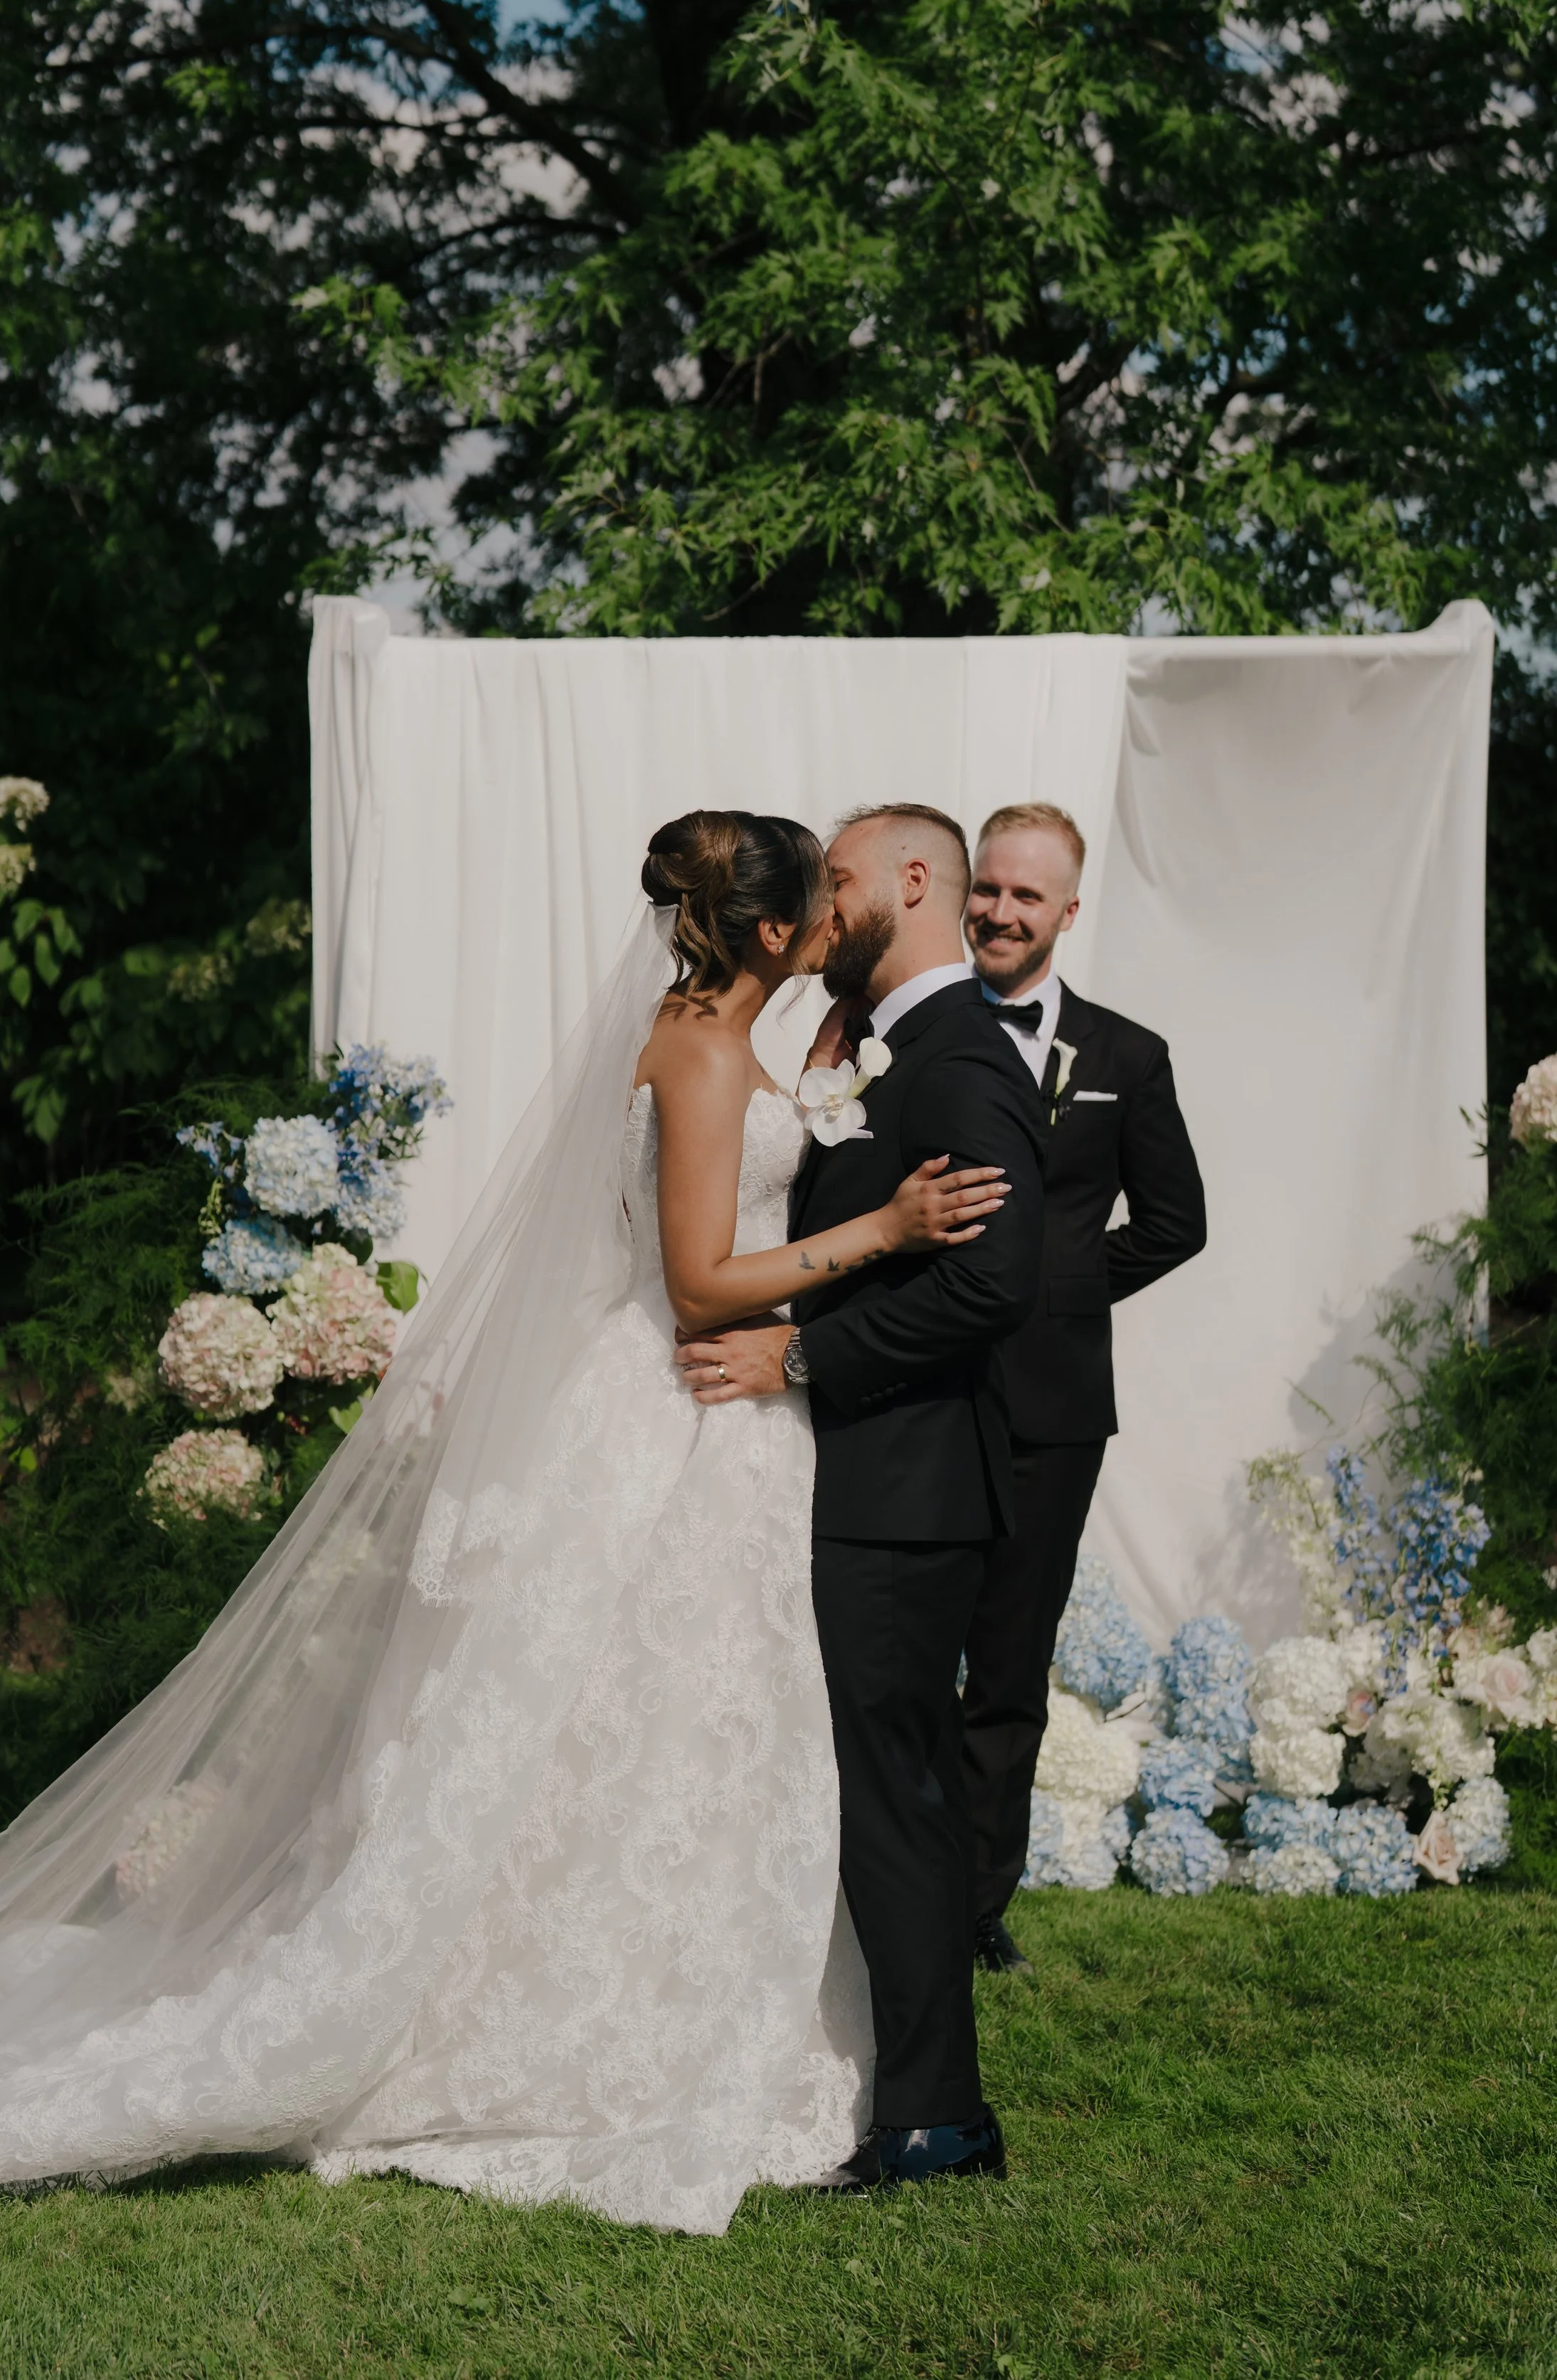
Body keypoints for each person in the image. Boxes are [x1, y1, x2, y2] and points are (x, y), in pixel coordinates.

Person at [0, 811, 1010, 2236]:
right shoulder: (690, 1049)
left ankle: (696, 1994)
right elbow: (692, 1281)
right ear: (763, 933)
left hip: (733, 1436)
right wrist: (877, 1235)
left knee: (702, 1724)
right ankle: (544, 2017)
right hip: (671, 1411)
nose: (833, 924)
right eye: (818, 906)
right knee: (605, 1718)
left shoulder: (753, 1045)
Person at [678, 805, 1046, 2193]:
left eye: (836, 882)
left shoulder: (962, 1055)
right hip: (869, 1487)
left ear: (910, 881)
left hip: (906, 1495)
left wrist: (803, 1354)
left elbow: (995, 1282)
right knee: (873, 1797)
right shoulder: (886, 1046)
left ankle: (934, 2121)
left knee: (892, 1803)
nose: (821, 910)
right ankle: (903, 2097)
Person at [958, 802, 1206, 1974]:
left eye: (1026, 895)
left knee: (1008, 1661)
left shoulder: (1126, 1056)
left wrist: (1052, 1286)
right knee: (890, 1650)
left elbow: (1174, 1225)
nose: (1001, 911)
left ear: (1067, 910)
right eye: (987, 888)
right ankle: (866, 1888)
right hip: (909, 1390)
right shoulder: (905, 1031)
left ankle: (974, 1908)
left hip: (1053, 1408)